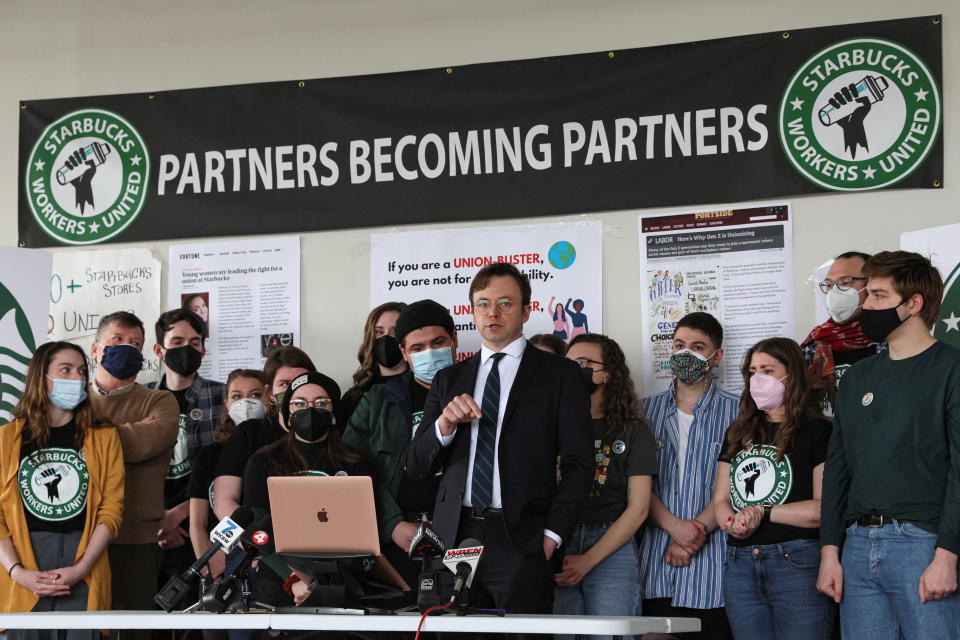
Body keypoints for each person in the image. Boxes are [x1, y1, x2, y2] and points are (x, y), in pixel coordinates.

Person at [407, 262, 593, 614]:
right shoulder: (449, 378)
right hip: (457, 533)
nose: (492, 312)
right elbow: (415, 465)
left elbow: (579, 464)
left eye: (505, 303)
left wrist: (552, 536)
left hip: (523, 536)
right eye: (482, 303)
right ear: (472, 311)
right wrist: (444, 424)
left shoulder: (560, 374)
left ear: (525, 311)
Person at [818, 251, 960, 638]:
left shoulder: (951, 369)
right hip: (858, 546)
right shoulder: (858, 377)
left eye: (878, 296)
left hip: (922, 544)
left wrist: (947, 555)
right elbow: (838, 469)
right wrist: (830, 552)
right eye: (867, 295)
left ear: (913, 304)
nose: (865, 305)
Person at [711, 337, 834, 640]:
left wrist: (761, 512)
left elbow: (822, 509)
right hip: (739, 564)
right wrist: (733, 522)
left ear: (791, 374)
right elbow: (720, 499)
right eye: (753, 371)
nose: (758, 379)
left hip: (797, 561)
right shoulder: (739, 431)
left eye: (767, 370)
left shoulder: (818, 430)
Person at [0, 342, 124, 640]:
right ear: (41, 377)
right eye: (65, 370)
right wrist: (17, 571)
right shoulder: (6, 439)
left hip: (85, 562)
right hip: (24, 563)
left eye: (81, 371)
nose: (76, 378)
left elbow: (111, 511)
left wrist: (80, 569)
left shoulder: (104, 437)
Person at [342, 299, 457, 606]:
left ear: (454, 341)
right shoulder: (378, 399)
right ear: (404, 352)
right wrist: (390, 523)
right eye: (418, 348)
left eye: (438, 343)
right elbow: (349, 469)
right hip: (397, 540)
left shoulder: (480, 391)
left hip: (463, 538)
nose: (429, 353)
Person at [638, 312, 738, 639]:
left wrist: (691, 537)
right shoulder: (642, 413)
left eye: (697, 347)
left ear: (716, 356)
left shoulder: (739, 412)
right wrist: (674, 527)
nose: (686, 354)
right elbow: (632, 485)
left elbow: (739, 485)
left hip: (715, 574)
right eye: (680, 345)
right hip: (656, 570)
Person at [553, 334, 657, 638]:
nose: (576, 370)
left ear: (608, 373)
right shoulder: (553, 427)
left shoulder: (633, 430)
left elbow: (638, 509)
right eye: (570, 364)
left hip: (611, 543)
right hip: (560, 540)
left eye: (585, 364)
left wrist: (588, 560)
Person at [242, 371, 373, 609]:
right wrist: (294, 578)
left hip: (344, 578)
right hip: (280, 579)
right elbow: (258, 533)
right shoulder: (263, 461)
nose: (309, 410)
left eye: (321, 403)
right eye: (299, 403)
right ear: (288, 414)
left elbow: (363, 527)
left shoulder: (356, 461)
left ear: (333, 414)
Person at [86, 312, 178, 636]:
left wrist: (88, 437)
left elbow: (146, 444)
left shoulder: (161, 401)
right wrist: (126, 435)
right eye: (118, 340)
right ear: (96, 350)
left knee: (133, 631)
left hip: (135, 539)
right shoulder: (75, 403)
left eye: (135, 344)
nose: (127, 348)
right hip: (76, 537)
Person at [146, 309, 224, 625]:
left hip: (200, 531)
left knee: (196, 623)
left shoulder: (221, 397)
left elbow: (225, 470)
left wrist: (178, 515)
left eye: (194, 342)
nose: (186, 349)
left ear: (204, 349)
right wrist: (157, 523)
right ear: (159, 349)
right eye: (177, 341)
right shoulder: (141, 400)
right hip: (150, 533)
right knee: (147, 623)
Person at [187, 370, 266, 584]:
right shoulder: (211, 455)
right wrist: (211, 560)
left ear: (269, 398)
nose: (247, 402)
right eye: (237, 396)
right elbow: (197, 522)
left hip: (263, 553)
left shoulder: (272, 453)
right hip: (218, 559)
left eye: (256, 395)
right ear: (227, 403)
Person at [800, 251, 879, 413]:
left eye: (845, 282)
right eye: (829, 284)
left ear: (871, 285)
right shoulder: (813, 346)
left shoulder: (890, 342)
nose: (834, 291)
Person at [341, 302, 409, 425]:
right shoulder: (354, 397)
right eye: (379, 332)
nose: (386, 338)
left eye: (395, 332)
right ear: (370, 337)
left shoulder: (422, 387)